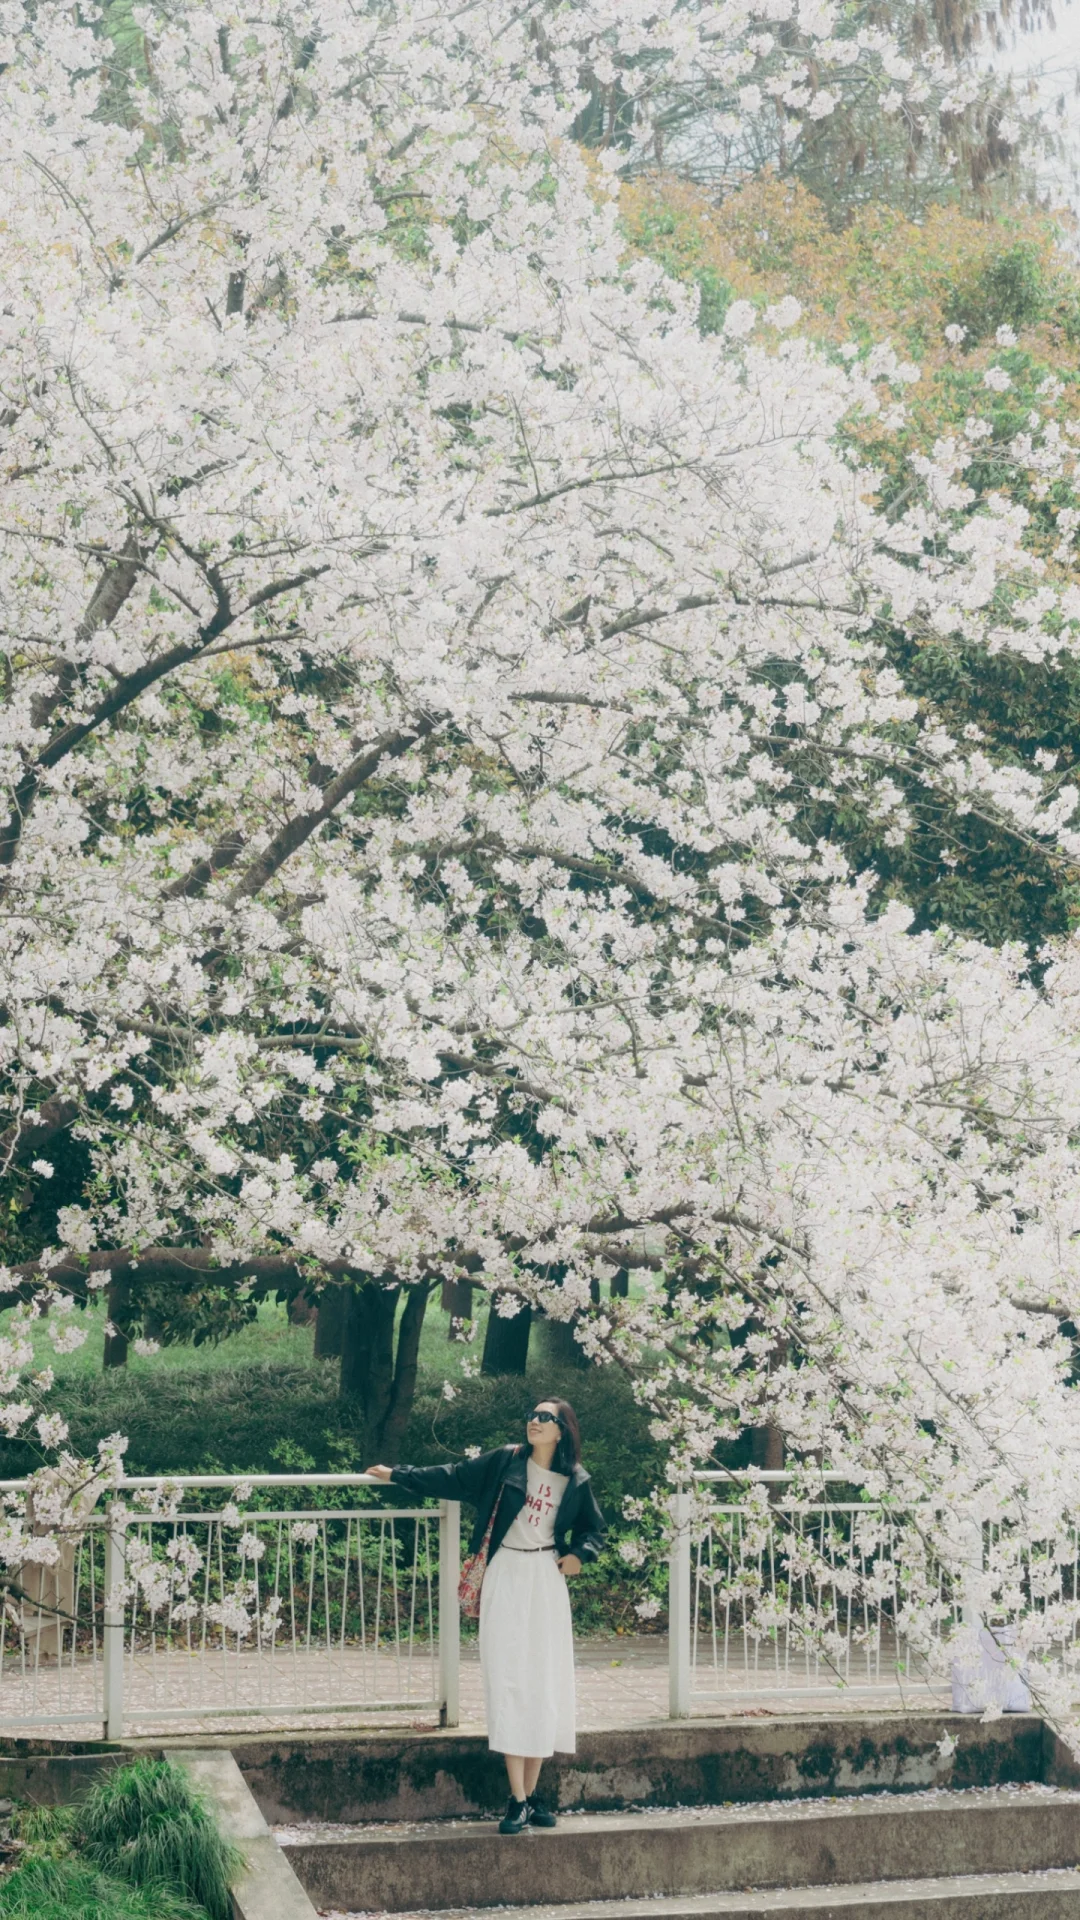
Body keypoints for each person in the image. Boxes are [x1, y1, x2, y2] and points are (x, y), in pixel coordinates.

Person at [366, 1396, 605, 1834]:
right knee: (509, 1680)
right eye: (531, 1414)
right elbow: (453, 1478)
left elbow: (594, 1529)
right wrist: (398, 1474)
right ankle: (516, 1800)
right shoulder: (506, 1463)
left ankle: (531, 1798)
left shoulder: (574, 1480)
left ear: (562, 1430)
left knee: (543, 1683)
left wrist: (578, 1555)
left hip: (546, 1580)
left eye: (545, 1418)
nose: (534, 1421)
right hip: (506, 1573)